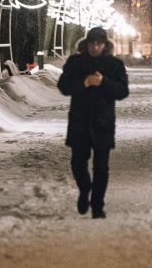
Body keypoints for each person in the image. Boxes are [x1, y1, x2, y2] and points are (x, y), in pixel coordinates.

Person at [56, 26, 129, 219]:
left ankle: (98, 206)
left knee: (101, 167)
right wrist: (84, 84)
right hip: (80, 120)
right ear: (86, 44)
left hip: (103, 121)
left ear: (105, 45)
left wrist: (104, 82)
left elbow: (123, 91)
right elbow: (63, 86)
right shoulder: (75, 62)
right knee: (78, 163)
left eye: (99, 44)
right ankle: (85, 188)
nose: (95, 47)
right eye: (91, 43)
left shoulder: (114, 65)